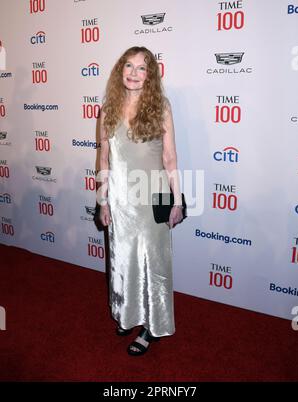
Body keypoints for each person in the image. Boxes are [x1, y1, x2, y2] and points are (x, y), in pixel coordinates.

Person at [98, 46, 183, 356]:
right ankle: (128, 313)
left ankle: (152, 326)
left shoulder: (161, 106)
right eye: (129, 66)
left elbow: (170, 157)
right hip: (120, 200)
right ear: (121, 70)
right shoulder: (107, 108)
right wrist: (103, 201)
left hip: (151, 196)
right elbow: (104, 158)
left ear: (151, 75)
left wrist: (177, 200)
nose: (134, 73)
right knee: (122, 262)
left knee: (153, 263)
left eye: (141, 68)